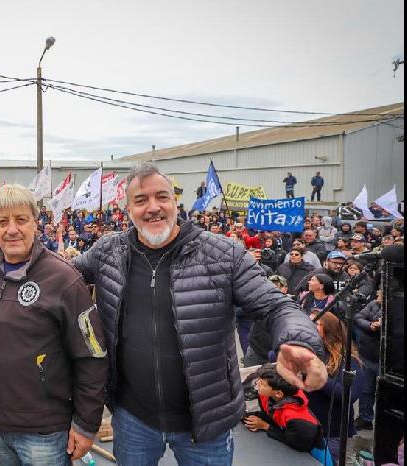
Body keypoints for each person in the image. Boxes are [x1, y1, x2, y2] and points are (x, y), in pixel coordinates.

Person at [71, 162, 326, 465]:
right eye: (141, 200)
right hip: (132, 419)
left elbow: (277, 305)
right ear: (128, 209)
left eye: (162, 197)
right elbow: (60, 278)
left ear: (175, 202)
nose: (153, 207)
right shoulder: (108, 250)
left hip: (205, 424)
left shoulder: (223, 254)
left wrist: (299, 342)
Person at [0, 184, 108, 464]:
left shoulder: (64, 278)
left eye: (21, 220)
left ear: (36, 223)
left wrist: (86, 424)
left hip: (45, 434)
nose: (12, 229)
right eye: (3, 221)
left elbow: (92, 357)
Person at [307, 311, 363, 463]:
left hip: (332, 432)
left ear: (329, 329)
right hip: (308, 426)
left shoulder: (348, 361)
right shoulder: (310, 353)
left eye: (316, 323)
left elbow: (349, 395)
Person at [243, 363, 323, 453]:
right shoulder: (267, 395)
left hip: (310, 450)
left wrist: (265, 426)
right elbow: (270, 416)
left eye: (262, 384)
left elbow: (299, 444)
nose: (257, 384)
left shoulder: (299, 420)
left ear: (278, 393)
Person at [353, 289, 382, 431]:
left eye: (381, 292)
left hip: (386, 360)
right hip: (368, 354)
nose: (378, 294)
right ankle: (365, 418)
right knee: (366, 389)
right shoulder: (374, 304)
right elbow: (358, 317)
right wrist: (371, 326)